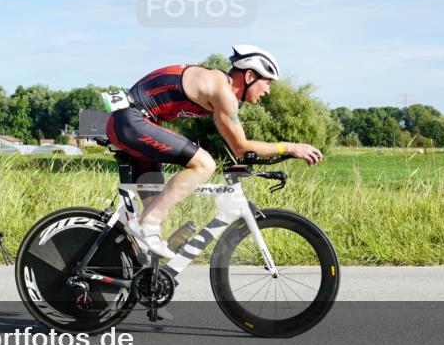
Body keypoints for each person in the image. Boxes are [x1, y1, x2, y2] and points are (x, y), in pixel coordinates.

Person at [106, 45, 323, 259]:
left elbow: (237, 146)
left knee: (154, 213)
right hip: (131, 122)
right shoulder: (222, 91)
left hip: (130, 122)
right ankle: (148, 224)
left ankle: (139, 268)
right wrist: (290, 147)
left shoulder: (217, 84)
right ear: (249, 76)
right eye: (267, 82)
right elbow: (240, 147)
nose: (268, 91)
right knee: (204, 164)